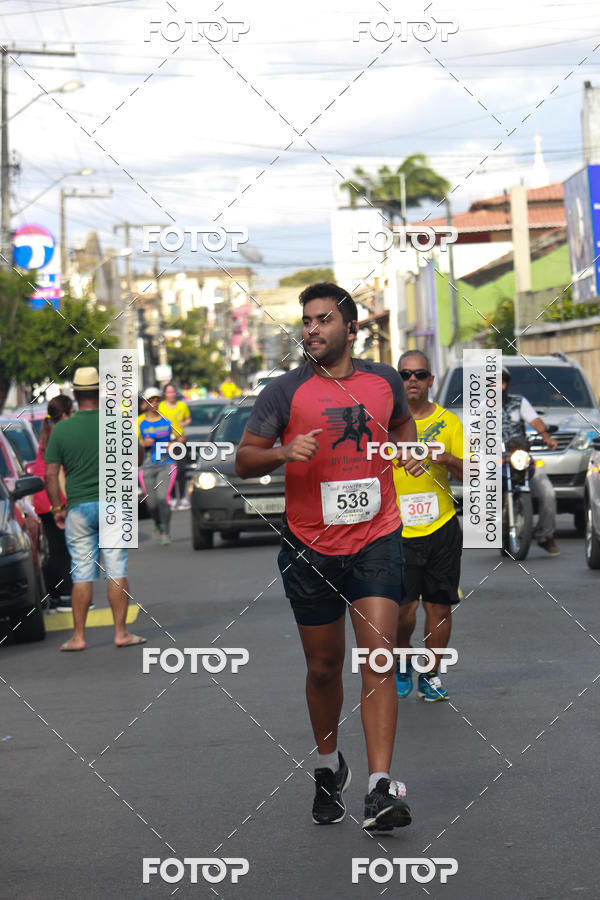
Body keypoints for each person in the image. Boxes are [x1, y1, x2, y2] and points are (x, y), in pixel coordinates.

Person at [236, 282, 416, 832]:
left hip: (376, 536)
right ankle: (327, 764)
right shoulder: (284, 392)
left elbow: (401, 424)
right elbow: (244, 460)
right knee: (323, 667)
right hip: (309, 543)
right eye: (307, 320)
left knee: (378, 658)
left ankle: (379, 787)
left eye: (324, 320)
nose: (311, 329)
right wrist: (283, 452)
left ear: (351, 328)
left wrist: (406, 450)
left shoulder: (384, 381)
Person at [44, 367, 146, 651]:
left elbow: (50, 474)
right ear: (100, 393)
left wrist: (57, 507)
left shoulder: (61, 429)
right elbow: (138, 458)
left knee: (81, 573)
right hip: (114, 505)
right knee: (116, 568)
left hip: (77, 507)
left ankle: (78, 637)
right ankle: (121, 633)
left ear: (75, 395)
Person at [393, 351, 464, 702]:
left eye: (420, 374)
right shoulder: (384, 424)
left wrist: (444, 457)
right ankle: (402, 660)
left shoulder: (448, 422)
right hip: (397, 530)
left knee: (439, 607)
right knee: (402, 610)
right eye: (405, 374)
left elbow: (472, 473)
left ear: (431, 380)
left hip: (441, 526)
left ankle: (431, 676)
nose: (412, 380)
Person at [501, 367, 560, 556]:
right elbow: (472, 434)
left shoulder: (519, 402)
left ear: (507, 384)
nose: (499, 385)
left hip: (520, 457)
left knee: (548, 493)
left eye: (502, 381)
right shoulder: (480, 408)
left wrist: (546, 437)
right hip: (495, 461)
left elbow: (535, 421)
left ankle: (545, 535)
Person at [31, 394, 74, 612]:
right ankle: (65, 595)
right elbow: (57, 474)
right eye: (72, 412)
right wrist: (65, 502)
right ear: (64, 414)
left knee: (54, 549)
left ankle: (54, 596)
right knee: (64, 550)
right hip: (54, 497)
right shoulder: (61, 434)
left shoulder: (47, 433)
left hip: (41, 499)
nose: (74, 416)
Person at [139, 388, 177, 544]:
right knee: (152, 504)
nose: (154, 403)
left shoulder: (167, 420)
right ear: (145, 403)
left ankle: (166, 532)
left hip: (166, 465)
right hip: (147, 468)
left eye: (157, 400)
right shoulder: (139, 422)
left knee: (163, 498)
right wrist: (142, 443)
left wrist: (173, 444)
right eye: (151, 400)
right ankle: (157, 524)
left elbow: (181, 438)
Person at [158, 383, 191, 509]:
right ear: (165, 394)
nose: (171, 394)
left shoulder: (182, 405)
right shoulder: (160, 406)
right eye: (168, 392)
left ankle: (182, 498)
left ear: (176, 393)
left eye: (173, 392)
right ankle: (171, 498)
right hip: (166, 442)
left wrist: (183, 423)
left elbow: (188, 419)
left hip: (180, 440)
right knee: (169, 471)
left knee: (182, 469)